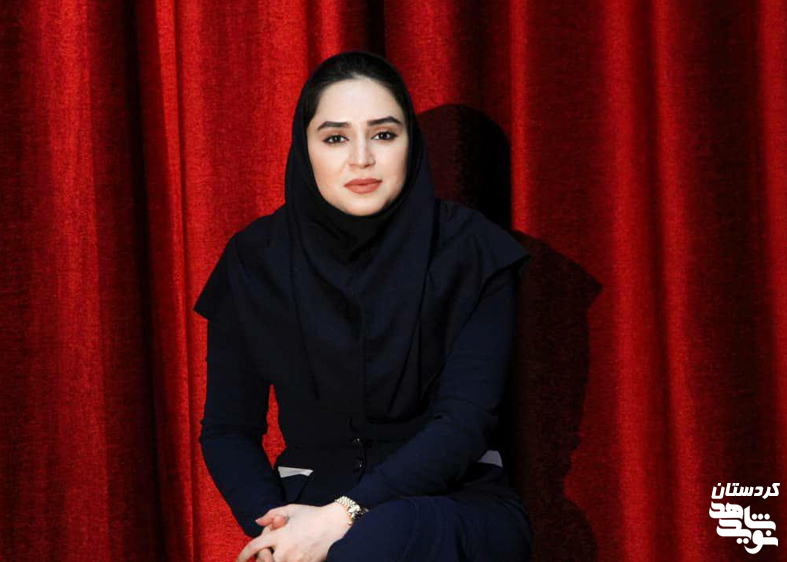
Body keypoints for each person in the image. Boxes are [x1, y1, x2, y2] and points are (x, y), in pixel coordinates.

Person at [193, 50, 534, 562]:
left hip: (454, 503)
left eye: (384, 135)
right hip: (306, 508)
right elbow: (228, 430)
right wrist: (277, 530)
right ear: (305, 148)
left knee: (378, 538)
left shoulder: (471, 251)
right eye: (335, 138)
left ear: (410, 144)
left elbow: (464, 423)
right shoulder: (255, 259)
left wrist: (342, 516)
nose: (361, 159)